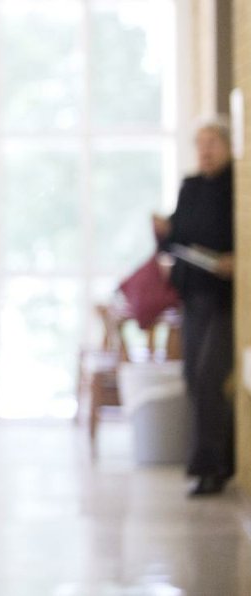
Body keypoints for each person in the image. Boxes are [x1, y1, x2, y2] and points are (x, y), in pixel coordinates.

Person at [153, 117, 235, 497]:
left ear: (227, 146)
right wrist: (164, 233)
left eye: (212, 143)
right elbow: (176, 240)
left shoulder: (237, 185)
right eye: (199, 143)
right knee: (193, 379)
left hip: (224, 298)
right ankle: (219, 458)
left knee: (208, 379)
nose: (205, 151)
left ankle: (213, 468)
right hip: (194, 294)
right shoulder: (190, 187)